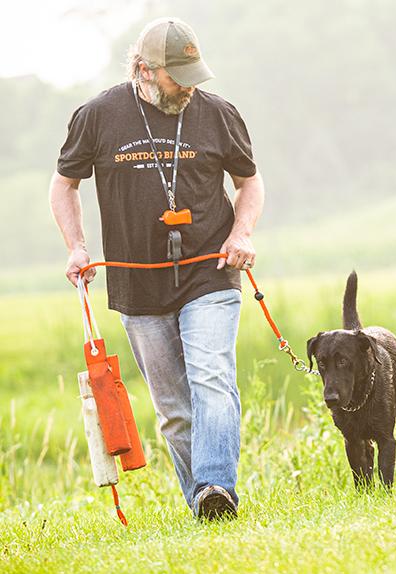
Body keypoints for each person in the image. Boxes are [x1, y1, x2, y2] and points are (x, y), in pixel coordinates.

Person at [49, 17, 265, 520]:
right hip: (137, 284)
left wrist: (242, 234)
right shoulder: (99, 116)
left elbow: (249, 183)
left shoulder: (218, 114)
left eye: (194, 74)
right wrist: (76, 247)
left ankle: (217, 487)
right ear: (144, 70)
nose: (188, 86)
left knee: (213, 378)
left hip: (210, 271)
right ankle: (204, 505)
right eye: (177, 76)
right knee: (173, 408)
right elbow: (64, 185)